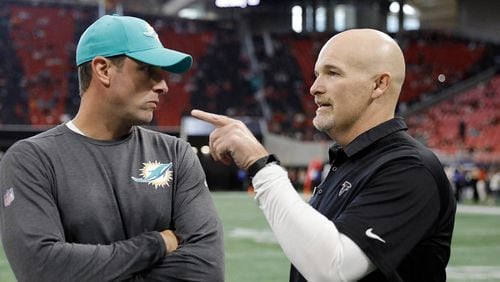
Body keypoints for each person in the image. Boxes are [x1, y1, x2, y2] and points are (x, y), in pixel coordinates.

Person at [191, 28, 456, 281]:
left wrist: (260, 165)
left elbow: (332, 267)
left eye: (332, 73)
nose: (315, 87)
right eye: (317, 74)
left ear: (379, 85)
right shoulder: (353, 160)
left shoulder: (409, 168)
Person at [0, 15, 224, 281]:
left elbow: (206, 271)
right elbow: (43, 269)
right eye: (147, 69)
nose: (163, 85)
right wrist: (157, 244)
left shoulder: (176, 153)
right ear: (103, 70)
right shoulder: (32, 159)